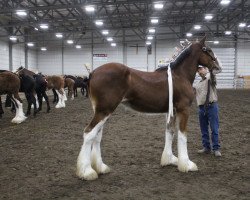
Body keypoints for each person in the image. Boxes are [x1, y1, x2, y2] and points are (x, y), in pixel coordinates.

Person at [194, 66, 222, 157]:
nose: (199, 71)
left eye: (201, 68)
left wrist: (210, 69)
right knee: (204, 129)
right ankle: (206, 147)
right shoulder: (197, 84)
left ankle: (216, 148)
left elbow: (215, 72)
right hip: (201, 108)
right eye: (198, 70)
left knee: (214, 128)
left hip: (212, 106)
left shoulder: (210, 78)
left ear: (206, 69)